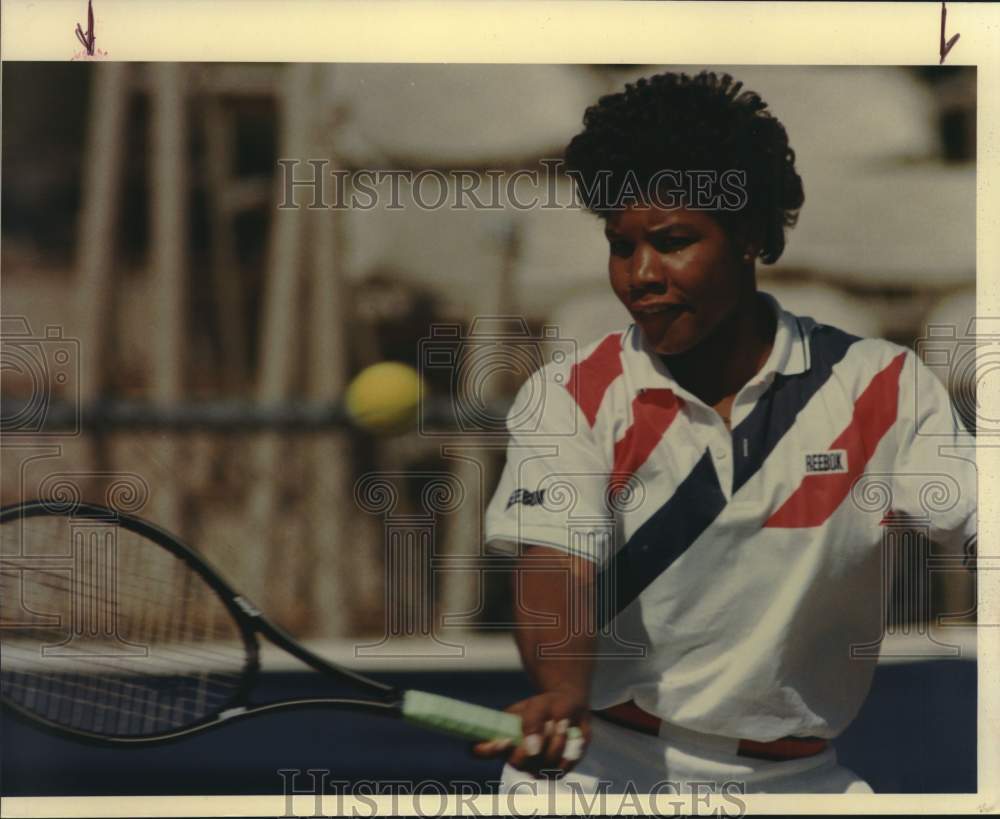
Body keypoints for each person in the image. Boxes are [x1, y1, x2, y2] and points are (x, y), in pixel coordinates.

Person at [473, 71, 977, 794]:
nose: (640, 274)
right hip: (596, 776)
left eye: (673, 241)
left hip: (804, 783)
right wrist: (561, 688)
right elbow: (557, 565)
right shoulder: (568, 395)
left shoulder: (884, 386)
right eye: (621, 246)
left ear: (751, 237)